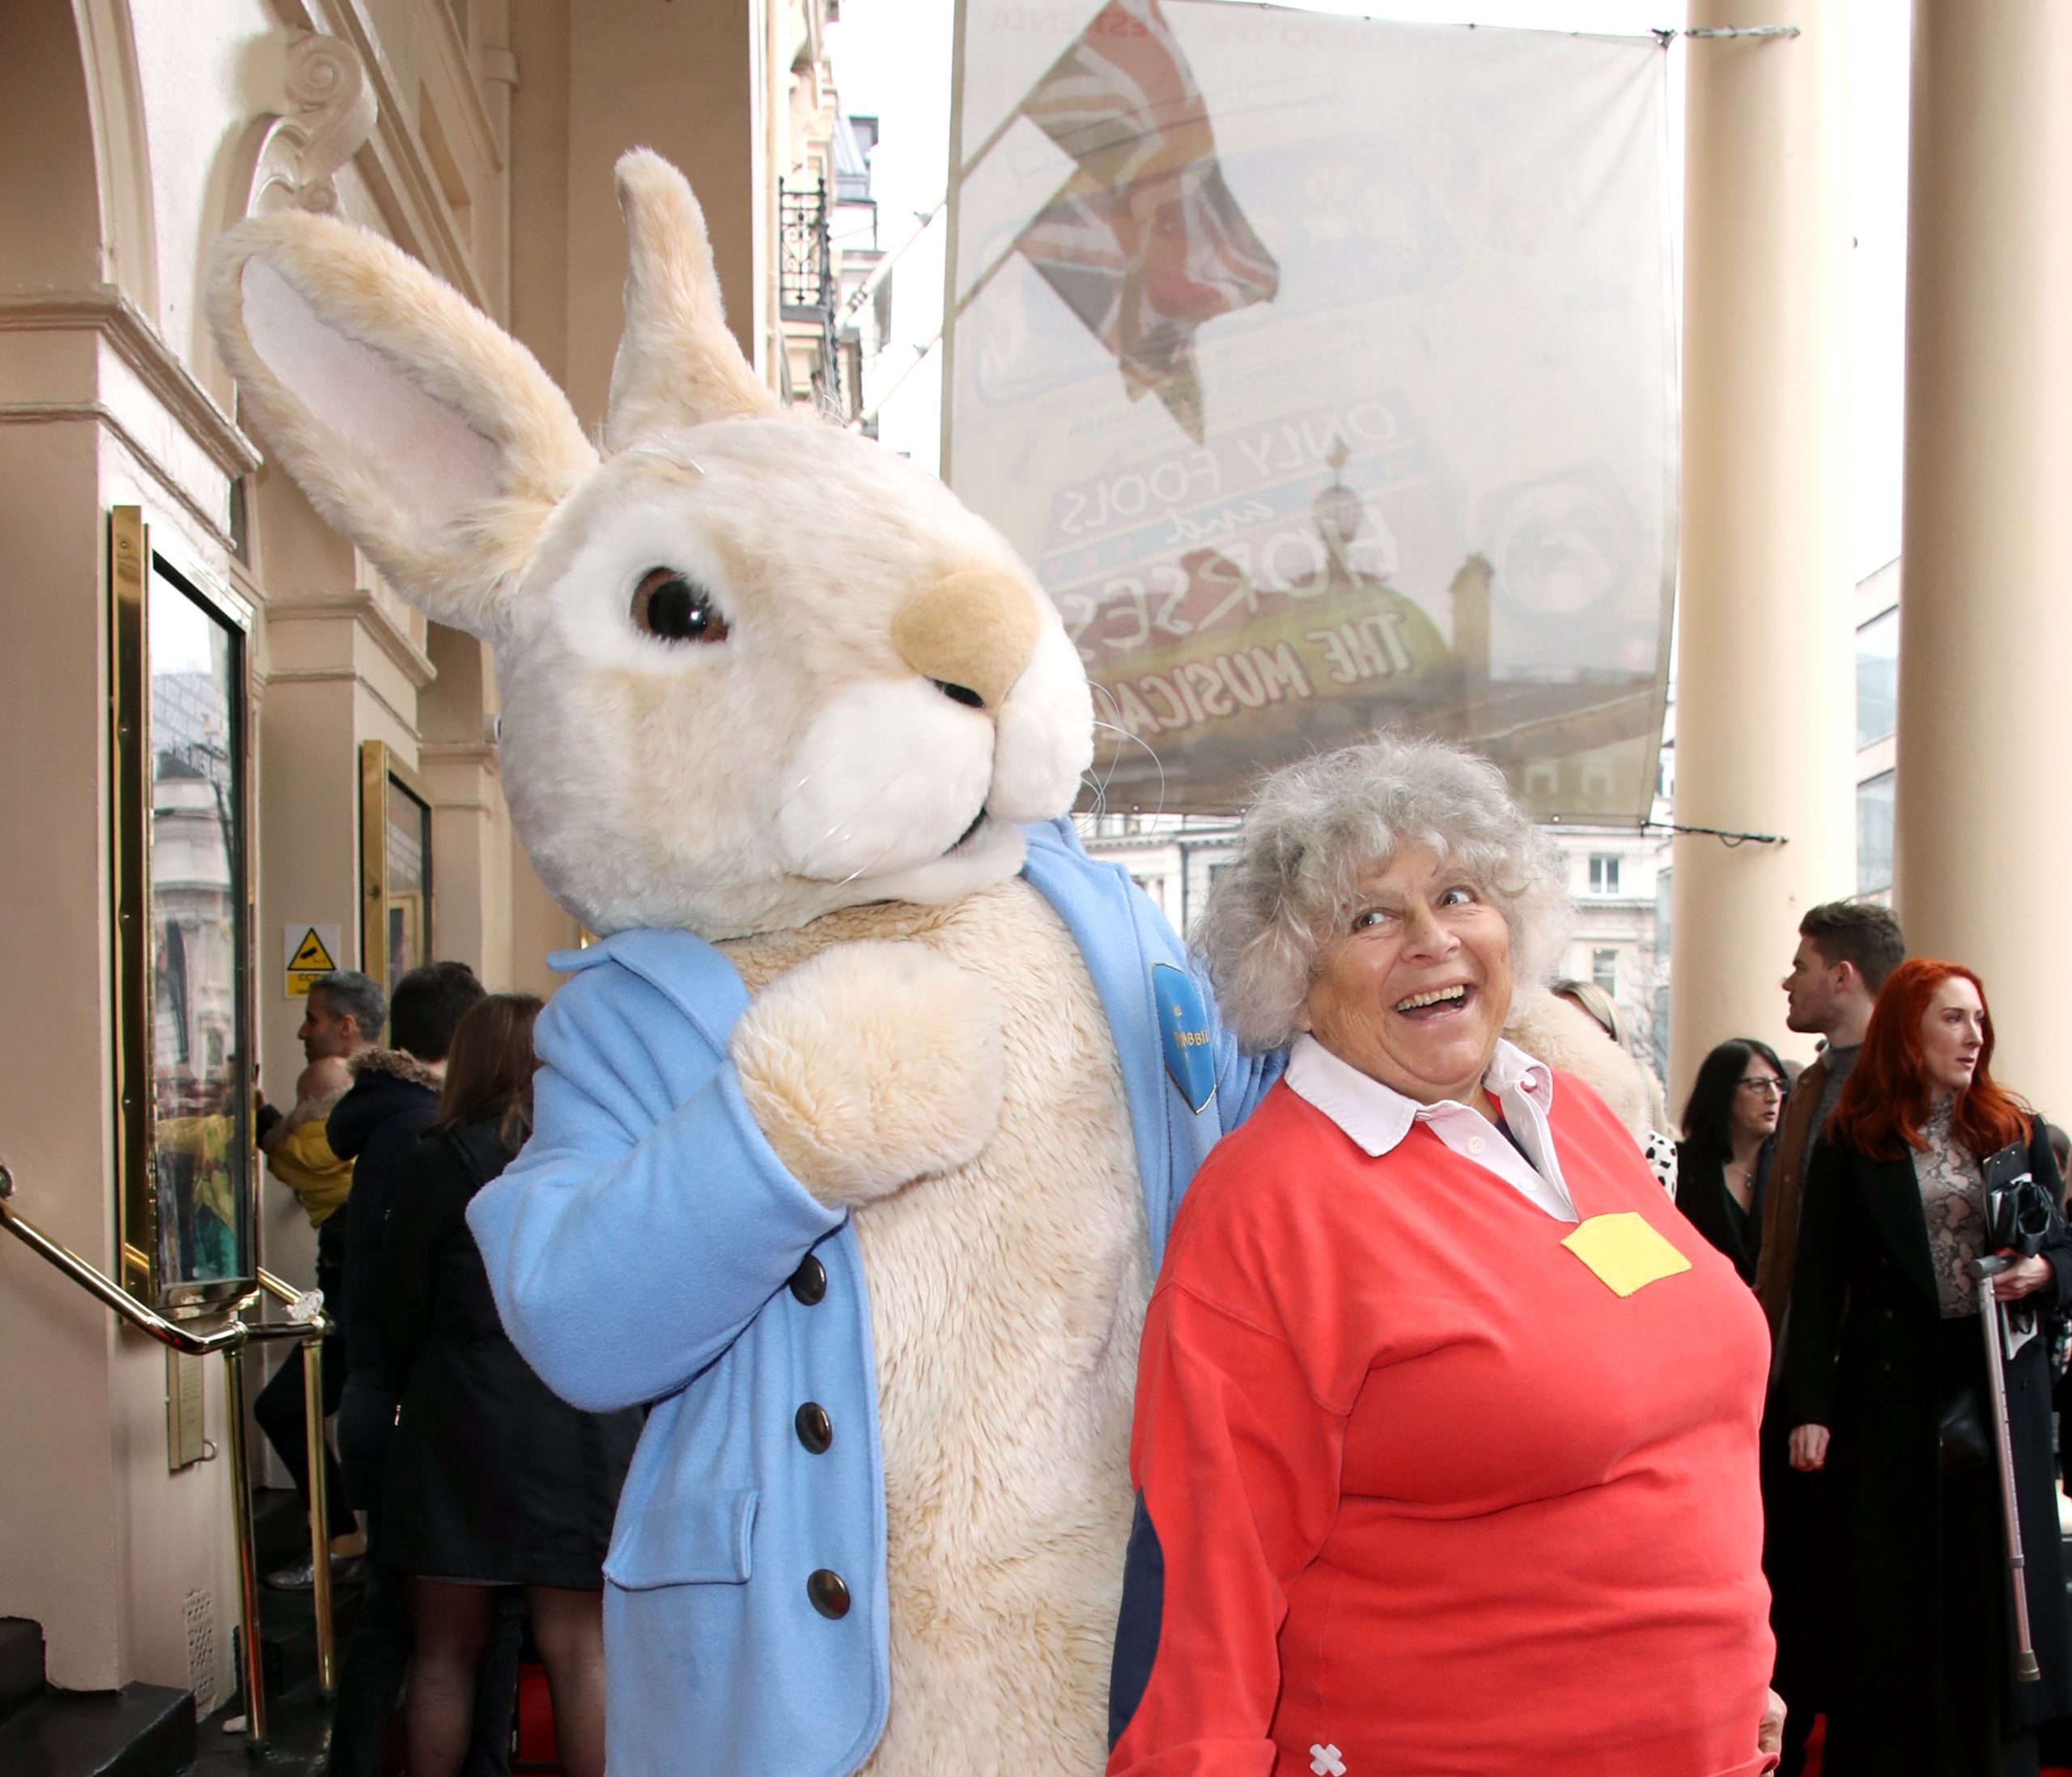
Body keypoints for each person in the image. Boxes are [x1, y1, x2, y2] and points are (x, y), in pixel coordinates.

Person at [1106, 736, 1782, 1777]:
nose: (1431, 939)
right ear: (1291, 970)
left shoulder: (1579, 1123)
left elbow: (1672, 1440)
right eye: (1368, 916)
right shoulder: (1268, 1210)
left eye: (1458, 894)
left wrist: (1725, 1666)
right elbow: (1202, 1596)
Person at [1785, 959, 2072, 1775]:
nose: (1973, 1035)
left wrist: (2041, 1273)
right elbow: (1817, 1281)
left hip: (1996, 1382)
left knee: (1995, 1593)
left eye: (1978, 1019)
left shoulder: (2013, 1131)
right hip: (1888, 1393)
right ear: (1906, 1034)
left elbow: (2062, 1248)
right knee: (1894, 1597)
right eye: (1952, 1018)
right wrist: (1810, 1405)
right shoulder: (1853, 1140)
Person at [380, 995, 639, 1777]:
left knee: (444, 1655)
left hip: (460, 1422)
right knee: (579, 1647)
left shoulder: (437, 1160)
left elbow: (396, 1303)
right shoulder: (607, 1158)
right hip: (579, 1420)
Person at [323, 961, 506, 1777]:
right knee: (418, 1624)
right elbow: (414, 1287)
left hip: (393, 1396)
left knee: (412, 1620)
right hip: (423, 1410)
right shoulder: (432, 1140)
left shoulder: (399, 1126)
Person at [1755, 899, 1905, 1775]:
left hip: (1857, 1390)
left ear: (1842, 975)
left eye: (1803, 963)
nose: (1790, 978)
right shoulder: (1812, 1082)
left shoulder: (1895, 1087)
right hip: (1795, 1379)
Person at [254, 970, 384, 1588]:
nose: (303, 1031)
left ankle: (345, 1542)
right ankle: (350, 1538)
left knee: (288, 1406)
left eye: (313, 1018)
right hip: (352, 1276)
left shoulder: (337, 1082)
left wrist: (262, 1121)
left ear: (346, 1026)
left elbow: (305, 1162)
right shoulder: (389, 1093)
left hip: (354, 1280)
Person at [1677, 1038, 1788, 1286]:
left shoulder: (1788, 1170)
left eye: (1778, 1085)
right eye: (1757, 1085)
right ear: (1722, 1091)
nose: (1773, 1097)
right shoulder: (1680, 1167)